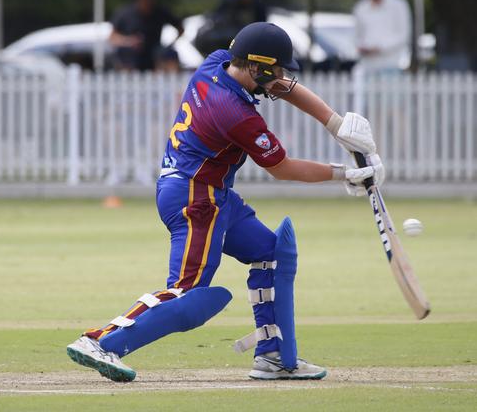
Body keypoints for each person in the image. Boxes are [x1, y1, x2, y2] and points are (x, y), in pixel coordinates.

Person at [67, 22, 384, 382]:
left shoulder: (217, 62)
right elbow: (281, 168)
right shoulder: (236, 114)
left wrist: (336, 124)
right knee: (188, 291)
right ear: (255, 67)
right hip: (195, 197)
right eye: (275, 69)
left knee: (272, 252)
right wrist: (346, 174)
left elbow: (285, 87)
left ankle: (275, 355)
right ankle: (100, 341)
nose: (280, 78)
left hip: (210, 192)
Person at [353, 0, 412, 75]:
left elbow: (403, 35)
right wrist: (362, 47)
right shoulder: (360, 8)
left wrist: (380, 48)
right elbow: (356, 36)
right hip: (368, 67)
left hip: (392, 64)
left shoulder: (398, 4)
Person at [109, 0, 184, 71]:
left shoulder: (160, 12)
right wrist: (129, 41)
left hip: (155, 55)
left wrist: (170, 45)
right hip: (131, 56)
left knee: (169, 55)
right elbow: (112, 37)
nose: (148, 5)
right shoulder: (125, 13)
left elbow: (180, 28)